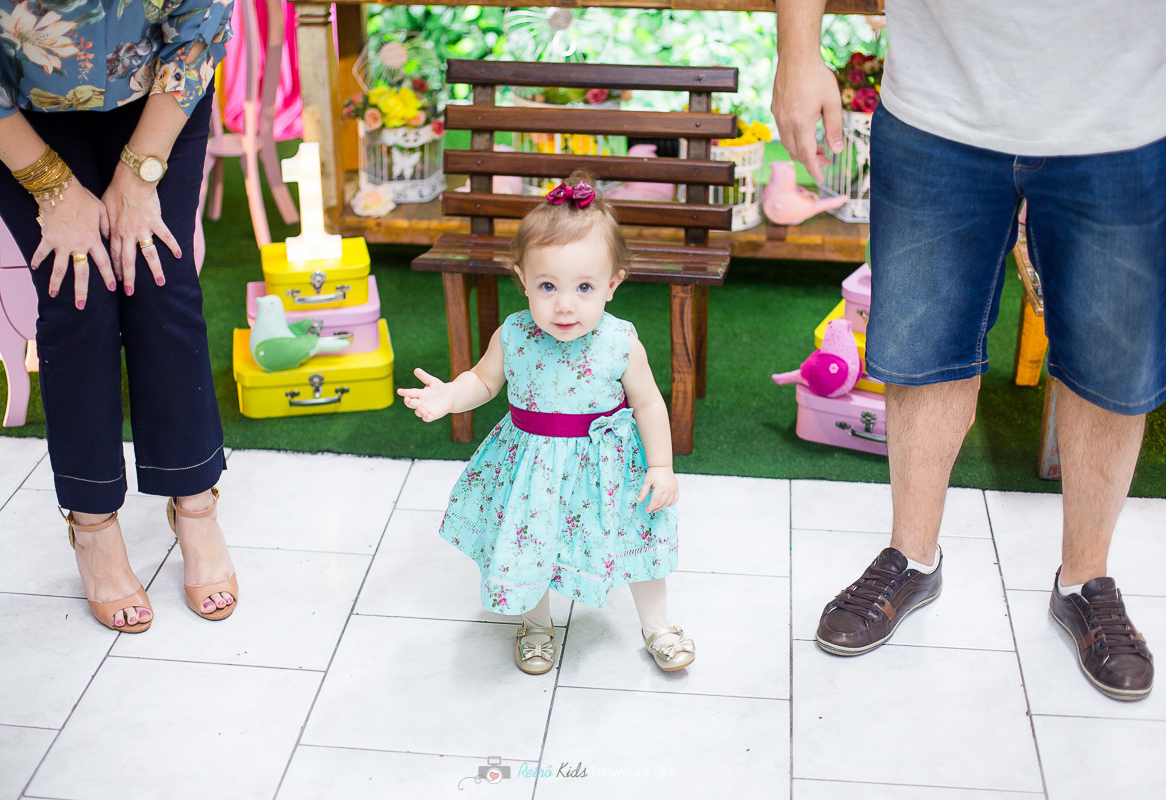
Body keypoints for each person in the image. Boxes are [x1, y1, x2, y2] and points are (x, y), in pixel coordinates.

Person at [773, 2, 1164, 700]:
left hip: (1124, 119)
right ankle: (912, 558)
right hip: (937, 109)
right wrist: (798, 54)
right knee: (920, 347)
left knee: (1113, 365)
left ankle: (1085, 580)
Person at [0, 1, 241, 631]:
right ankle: (91, 524)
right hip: (12, 104)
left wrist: (140, 175)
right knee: (76, 297)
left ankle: (195, 505)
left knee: (161, 281)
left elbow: (203, 22)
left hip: (159, 88)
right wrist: (51, 187)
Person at [398, 172, 695, 674]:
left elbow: (647, 403)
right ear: (522, 279)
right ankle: (536, 624)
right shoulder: (514, 333)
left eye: (584, 287)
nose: (564, 304)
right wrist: (451, 396)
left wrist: (661, 466)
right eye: (548, 286)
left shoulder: (620, 341)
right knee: (528, 542)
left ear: (612, 284)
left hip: (608, 469)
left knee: (638, 541)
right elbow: (484, 381)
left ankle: (658, 625)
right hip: (531, 464)